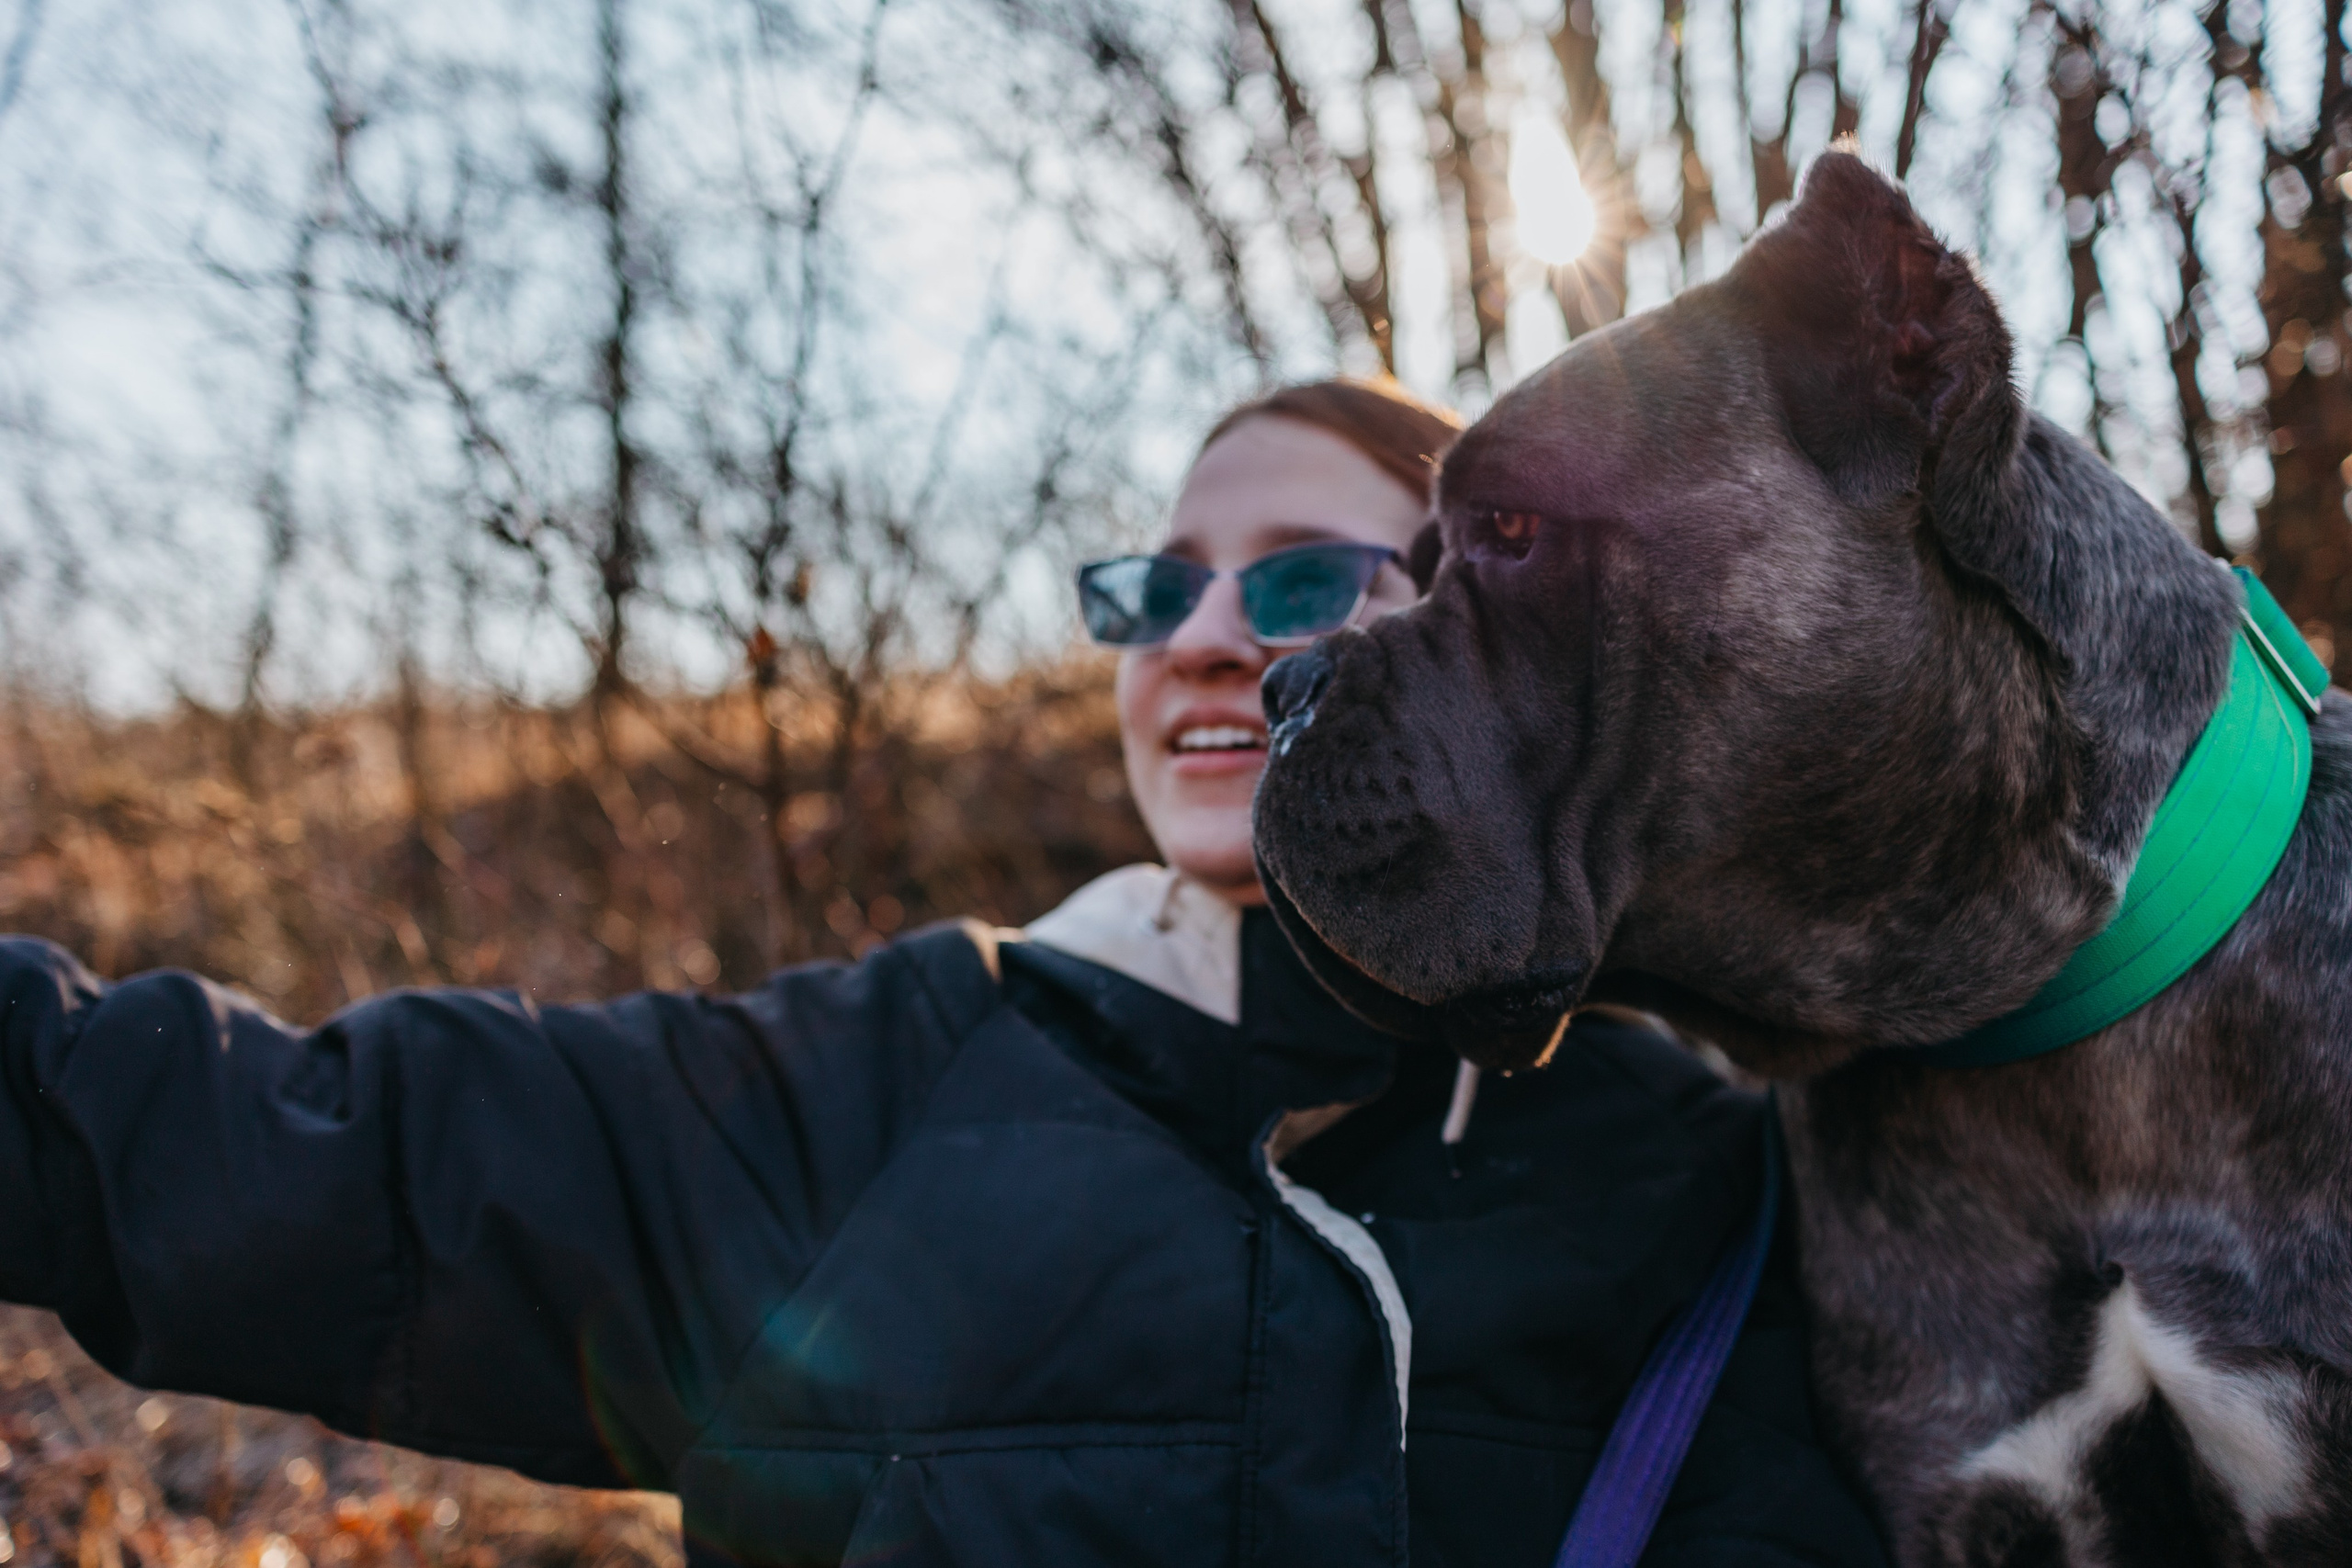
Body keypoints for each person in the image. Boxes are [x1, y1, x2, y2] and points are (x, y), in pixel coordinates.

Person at [0, 380, 1886, 1567]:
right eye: (1155, 591)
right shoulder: (885, 1077)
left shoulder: (1734, 1159)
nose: (1206, 639)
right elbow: (325, 1158)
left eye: (1303, 580)